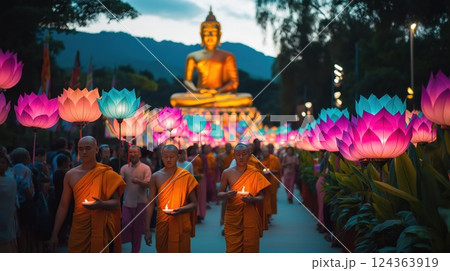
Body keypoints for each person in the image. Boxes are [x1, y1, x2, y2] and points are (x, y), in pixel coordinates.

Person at [49, 136, 126, 253]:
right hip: (79, 227)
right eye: (80, 149)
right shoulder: (70, 175)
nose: (84, 152)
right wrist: (55, 233)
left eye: (88, 148)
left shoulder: (107, 173)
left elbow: (116, 203)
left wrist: (101, 204)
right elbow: (63, 206)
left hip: (101, 227)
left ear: (96, 150)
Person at [170, 8, 252, 108]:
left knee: (247, 98)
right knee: (174, 99)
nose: (210, 36)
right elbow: (187, 81)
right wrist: (196, 90)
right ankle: (211, 102)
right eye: (206, 33)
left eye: (213, 33)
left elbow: (233, 82)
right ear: (201, 35)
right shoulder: (193, 56)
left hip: (221, 94)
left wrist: (218, 91)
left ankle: (209, 102)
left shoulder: (228, 56)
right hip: (200, 94)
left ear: (219, 35)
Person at [145, 145, 199, 253]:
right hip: (163, 222)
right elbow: (150, 204)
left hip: (181, 221)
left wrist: (181, 209)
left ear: (178, 157)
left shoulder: (186, 176)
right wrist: (147, 229)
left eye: (172, 156)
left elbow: (194, 203)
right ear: (162, 157)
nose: (168, 159)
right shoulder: (156, 177)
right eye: (166, 157)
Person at [218, 143, 270, 252]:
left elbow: (261, 197)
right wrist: (227, 194)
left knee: (250, 248)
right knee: (232, 249)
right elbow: (219, 194)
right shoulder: (227, 173)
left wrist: (253, 199)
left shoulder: (255, 173)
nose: (241, 157)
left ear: (249, 155)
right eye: (238, 154)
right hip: (233, 216)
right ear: (234, 155)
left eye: (244, 154)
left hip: (250, 213)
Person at [120, 145, 151, 253]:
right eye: (130, 152)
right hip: (127, 201)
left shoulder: (145, 168)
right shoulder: (124, 168)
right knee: (126, 222)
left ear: (140, 154)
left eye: (135, 152)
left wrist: (138, 181)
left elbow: (148, 184)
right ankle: (126, 239)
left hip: (141, 202)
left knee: (138, 230)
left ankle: (135, 252)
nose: (132, 154)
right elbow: (120, 182)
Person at [10, 147, 35, 252]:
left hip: (14, 204)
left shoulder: (11, 169)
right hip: (25, 204)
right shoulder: (26, 170)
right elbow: (27, 190)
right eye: (28, 156)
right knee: (25, 230)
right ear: (25, 158)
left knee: (17, 230)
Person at [0, 153, 18, 252]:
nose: (0, 165)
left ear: (7, 165)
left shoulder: (11, 181)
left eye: (3, 162)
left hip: (8, 218)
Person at [261, 146, 282, 221]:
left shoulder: (274, 159)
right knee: (265, 199)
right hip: (264, 182)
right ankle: (266, 214)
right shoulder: (260, 160)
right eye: (264, 152)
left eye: (266, 152)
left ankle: (269, 214)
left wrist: (270, 171)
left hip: (272, 182)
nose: (265, 153)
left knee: (272, 198)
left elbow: (278, 170)